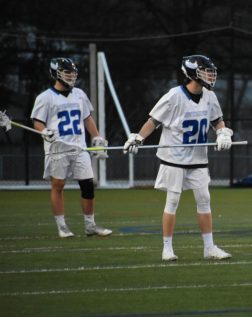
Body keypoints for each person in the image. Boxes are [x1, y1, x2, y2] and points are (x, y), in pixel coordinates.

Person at [123, 55, 233, 261]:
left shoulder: (210, 96)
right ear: (192, 73)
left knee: (204, 199)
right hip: (174, 157)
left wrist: (223, 133)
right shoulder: (174, 96)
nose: (210, 75)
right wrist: (138, 137)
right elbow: (154, 121)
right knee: (172, 201)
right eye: (205, 71)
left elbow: (217, 120)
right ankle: (167, 248)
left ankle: (209, 247)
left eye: (210, 72)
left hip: (198, 158)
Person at [31, 57, 112, 238]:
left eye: (72, 73)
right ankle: (62, 226)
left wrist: (97, 136)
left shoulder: (79, 94)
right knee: (58, 185)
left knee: (88, 186)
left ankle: (90, 226)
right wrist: (44, 131)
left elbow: (86, 118)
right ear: (56, 74)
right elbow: (37, 121)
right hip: (57, 148)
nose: (71, 76)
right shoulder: (45, 98)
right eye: (67, 72)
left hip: (79, 147)